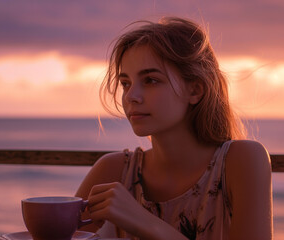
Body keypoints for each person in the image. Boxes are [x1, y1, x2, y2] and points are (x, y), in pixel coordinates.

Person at [75, 16, 273, 240]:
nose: (131, 96)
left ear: (195, 90)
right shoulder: (113, 171)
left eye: (150, 80)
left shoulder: (241, 161)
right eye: (126, 83)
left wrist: (143, 221)